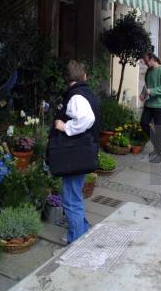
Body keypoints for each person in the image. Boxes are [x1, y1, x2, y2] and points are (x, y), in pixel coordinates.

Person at [53, 60, 100, 244]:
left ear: (67, 78)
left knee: (71, 198)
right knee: (75, 195)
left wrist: (65, 127)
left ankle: (76, 241)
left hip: (74, 155)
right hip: (82, 153)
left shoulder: (76, 97)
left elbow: (87, 118)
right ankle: (81, 229)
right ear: (84, 76)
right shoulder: (85, 93)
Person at [139, 52, 161, 160]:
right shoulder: (149, 71)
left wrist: (152, 91)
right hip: (149, 103)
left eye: (147, 61)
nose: (146, 63)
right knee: (143, 123)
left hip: (160, 104)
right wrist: (143, 94)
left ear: (152, 59)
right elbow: (146, 86)